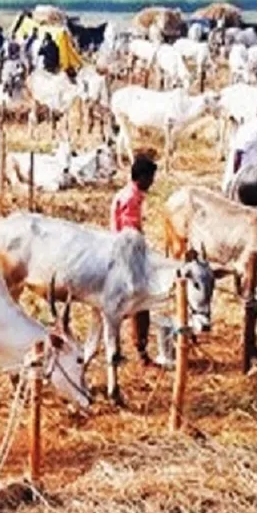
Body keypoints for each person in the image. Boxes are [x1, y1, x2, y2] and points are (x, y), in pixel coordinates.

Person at [110, 155, 158, 366]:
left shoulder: (131, 194)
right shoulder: (130, 198)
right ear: (143, 177)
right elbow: (130, 234)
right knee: (141, 303)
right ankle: (141, 351)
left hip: (123, 252)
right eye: (151, 178)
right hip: (126, 255)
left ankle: (131, 347)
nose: (152, 182)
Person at [223, 102, 257, 192]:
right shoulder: (255, 129)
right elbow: (239, 151)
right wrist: (235, 174)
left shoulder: (255, 126)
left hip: (249, 173)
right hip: (243, 173)